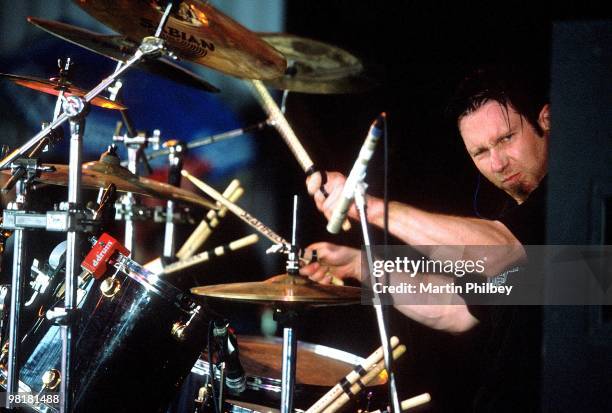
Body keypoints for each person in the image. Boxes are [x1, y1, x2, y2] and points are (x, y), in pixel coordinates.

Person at [300, 66, 549, 412]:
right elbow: (453, 309)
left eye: (506, 138)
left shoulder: (568, 200)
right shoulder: (515, 217)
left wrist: (366, 206)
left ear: (546, 120)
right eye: (479, 152)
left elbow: (503, 252)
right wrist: (361, 266)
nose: (497, 163)